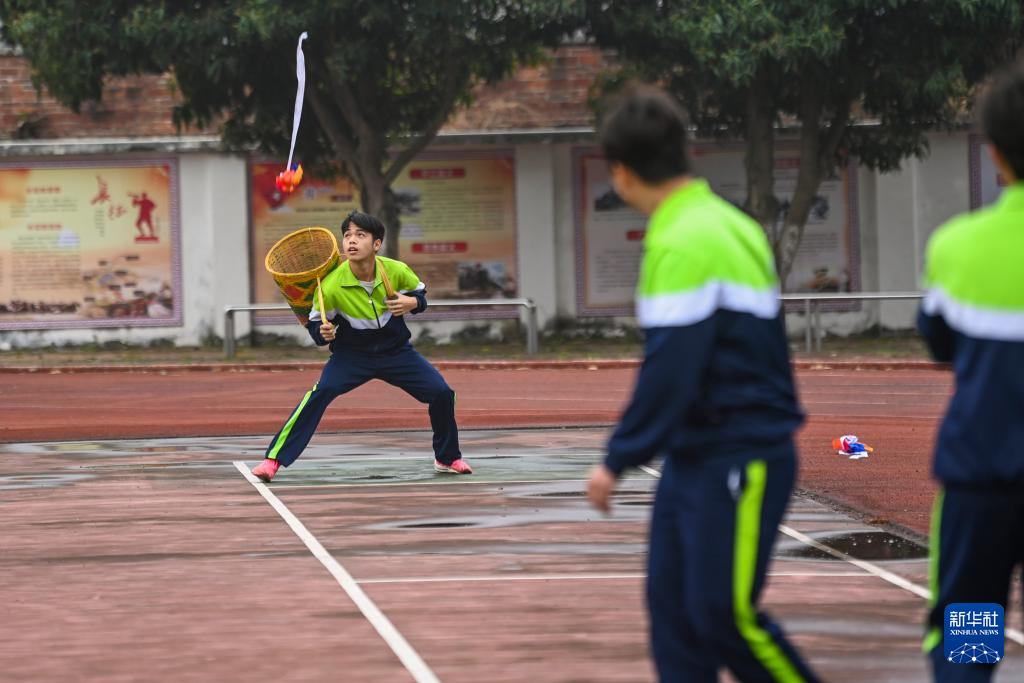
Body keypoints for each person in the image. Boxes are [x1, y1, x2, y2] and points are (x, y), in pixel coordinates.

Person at [585, 84, 820, 683]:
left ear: (621, 170)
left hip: (740, 453)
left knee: (725, 616)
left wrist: (617, 458)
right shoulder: (729, 222)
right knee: (675, 616)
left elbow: (672, 368)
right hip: (699, 454)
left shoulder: (683, 238)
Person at [918, 60, 1024, 682]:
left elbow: (940, 343)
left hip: (981, 488)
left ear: (994, 154)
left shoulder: (955, 246)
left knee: (968, 639)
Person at [251, 210, 472, 482]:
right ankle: (273, 460)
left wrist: (412, 303)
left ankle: (447, 458)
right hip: (352, 356)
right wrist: (323, 333)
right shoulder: (330, 285)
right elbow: (315, 328)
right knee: (319, 394)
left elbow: (419, 295)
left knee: (441, 393)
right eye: (347, 235)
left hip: (397, 352)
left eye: (360, 235)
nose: (351, 241)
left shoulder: (396, 270)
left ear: (376, 244)